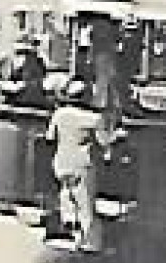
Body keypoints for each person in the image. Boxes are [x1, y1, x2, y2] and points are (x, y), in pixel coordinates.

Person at [46, 79, 116, 253]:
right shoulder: (93, 118)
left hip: (61, 162)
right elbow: (103, 141)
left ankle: (71, 236)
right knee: (85, 203)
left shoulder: (59, 114)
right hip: (82, 164)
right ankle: (90, 243)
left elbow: (49, 137)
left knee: (67, 198)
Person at [0, 36, 49, 109]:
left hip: (26, 98)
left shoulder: (34, 61)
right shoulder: (38, 60)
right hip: (31, 96)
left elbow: (23, 83)